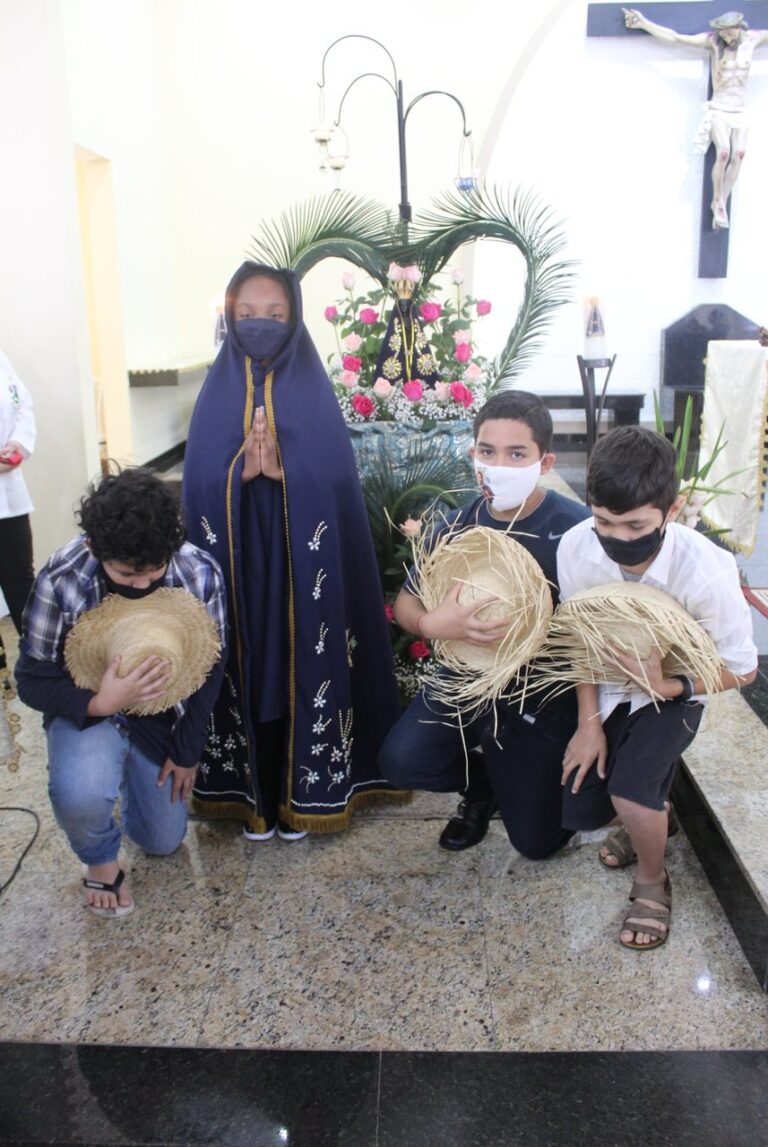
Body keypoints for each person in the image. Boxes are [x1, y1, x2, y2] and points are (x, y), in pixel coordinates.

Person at [182, 262, 403, 841]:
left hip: (300, 563)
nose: (260, 324)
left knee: (298, 658)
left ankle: (307, 789)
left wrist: (290, 475)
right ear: (230, 317)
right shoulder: (216, 391)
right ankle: (249, 793)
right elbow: (197, 483)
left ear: (294, 318)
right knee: (247, 657)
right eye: (246, 314)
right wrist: (236, 472)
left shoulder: (312, 391)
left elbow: (335, 480)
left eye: (274, 314)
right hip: (238, 563)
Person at [557, 426, 757, 950]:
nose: (618, 539)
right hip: (607, 681)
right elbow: (581, 636)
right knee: (583, 805)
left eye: (636, 525)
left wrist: (669, 685)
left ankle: (652, 878)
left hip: (679, 686)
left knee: (630, 790)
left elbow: (742, 669)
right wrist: (588, 724)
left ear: (674, 508)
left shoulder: (705, 571)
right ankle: (654, 818)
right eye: (604, 521)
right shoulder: (577, 546)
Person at [378, 391, 591, 857]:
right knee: (401, 761)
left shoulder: (577, 531)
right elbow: (407, 601)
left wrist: (590, 724)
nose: (498, 466)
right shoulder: (456, 525)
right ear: (473, 453)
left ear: (545, 462)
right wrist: (433, 624)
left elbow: (596, 634)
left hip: (538, 693)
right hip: (464, 678)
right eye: (488, 451)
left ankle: (525, 781)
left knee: (536, 845)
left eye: (516, 454)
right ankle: (482, 786)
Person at [15, 468, 227, 917]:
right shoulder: (62, 577)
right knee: (81, 794)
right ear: (95, 548)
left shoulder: (197, 569)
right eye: (127, 574)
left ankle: (130, 774)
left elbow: (213, 663)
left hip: (161, 715)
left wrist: (187, 748)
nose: (142, 586)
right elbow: (31, 679)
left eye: (154, 572)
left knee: (163, 841)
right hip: (88, 709)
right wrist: (100, 703)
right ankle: (100, 859)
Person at [623, 9, 768, 229]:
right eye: (723, 33)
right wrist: (644, 23)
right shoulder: (714, 43)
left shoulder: (754, 39)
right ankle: (717, 201)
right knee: (723, 152)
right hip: (719, 106)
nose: (727, 37)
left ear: (739, 28)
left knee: (738, 154)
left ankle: (722, 201)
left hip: (740, 108)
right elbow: (675, 37)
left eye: (730, 32)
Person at [0, 347, 36, 634]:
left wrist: (18, 444)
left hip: (8, 491)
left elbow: (22, 403)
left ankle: (37, 652)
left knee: (20, 576)